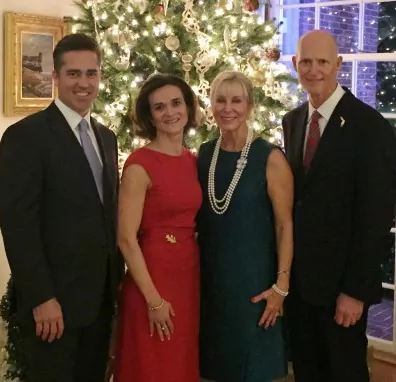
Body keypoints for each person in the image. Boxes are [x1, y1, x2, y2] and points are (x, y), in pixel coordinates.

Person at [0, 33, 124, 382]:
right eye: (73, 74)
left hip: (98, 303)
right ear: (56, 77)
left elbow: (106, 217)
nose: (83, 83)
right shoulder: (26, 137)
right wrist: (41, 298)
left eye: (91, 73)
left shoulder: (106, 137)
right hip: (53, 306)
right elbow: (18, 225)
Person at [282, 30, 396, 382]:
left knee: (343, 372)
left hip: (341, 289)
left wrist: (355, 290)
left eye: (322, 62)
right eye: (306, 62)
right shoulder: (293, 121)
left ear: (339, 65)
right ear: (294, 64)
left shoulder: (369, 126)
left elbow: (377, 216)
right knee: (307, 371)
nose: (313, 70)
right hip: (300, 285)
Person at [197, 71, 294, 382]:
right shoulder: (205, 154)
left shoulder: (270, 157)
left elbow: (285, 226)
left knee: (252, 371)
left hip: (255, 288)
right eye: (220, 100)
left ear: (250, 106)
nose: (228, 108)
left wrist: (281, 287)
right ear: (211, 106)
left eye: (236, 100)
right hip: (211, 288)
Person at [113, 73, 202, 382]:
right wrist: (153, 300)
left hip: (188, 277)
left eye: (176, 103)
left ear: (188, 107)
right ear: (149, 116)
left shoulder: (193, 160)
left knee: (179, 366)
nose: (170, 112)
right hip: (152, 280)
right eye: (159, 107)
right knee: (153, 368)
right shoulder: (139, 164)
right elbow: (125, 239)